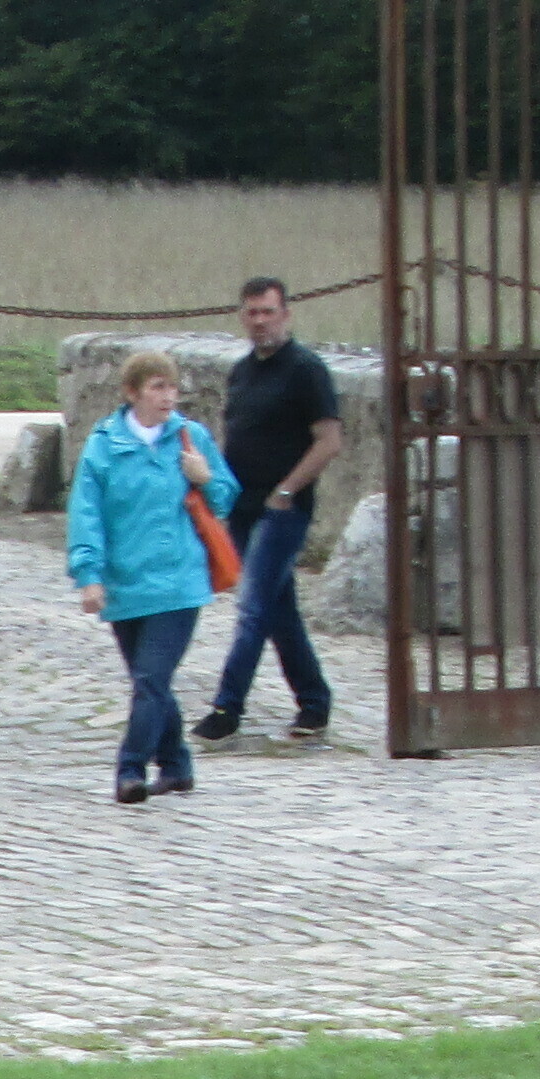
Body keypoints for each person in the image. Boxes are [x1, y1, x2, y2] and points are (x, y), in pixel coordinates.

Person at [67, 348, 230, 803]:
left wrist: (205, 477)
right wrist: (89, 574)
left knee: (151, 680)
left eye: (172, 387)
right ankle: (176, 765)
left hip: (178, 584)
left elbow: (225, 499)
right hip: (125, 586)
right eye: (157, 386)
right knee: (149, 681)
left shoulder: (190, 438)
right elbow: (87, 513)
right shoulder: (104, 445)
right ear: (132, 392)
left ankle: (130, 768)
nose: (167, 396)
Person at [199, 274, 344, 743]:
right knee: (279, 611)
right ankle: (314, 702)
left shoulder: (306, 370)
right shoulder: (241, 372)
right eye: (252, 312)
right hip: (242, 507)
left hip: (282, 509)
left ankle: (227, 708)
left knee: (253, 608)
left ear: (286, 314)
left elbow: (329, 441)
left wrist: (287, 490)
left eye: (268, 311)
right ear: (242, 316)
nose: (260, 321)